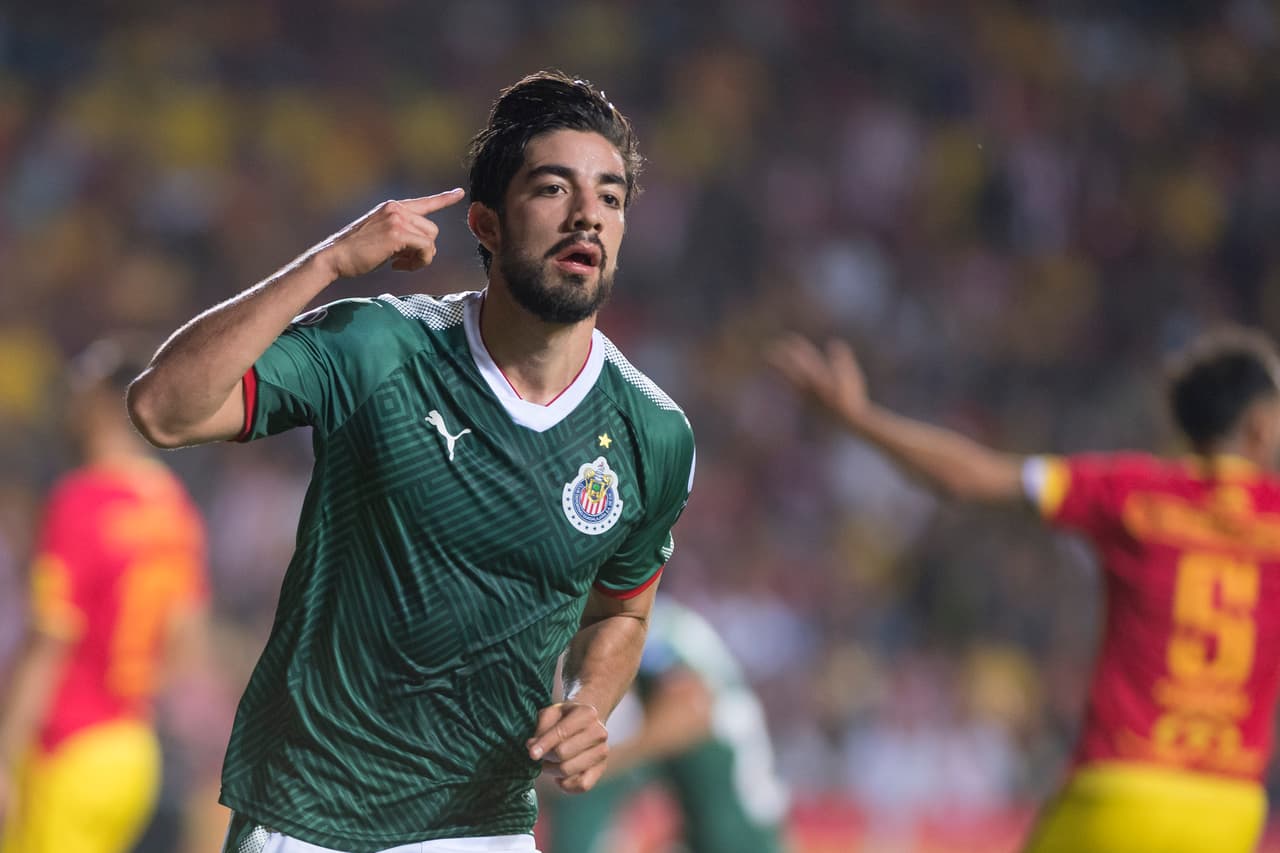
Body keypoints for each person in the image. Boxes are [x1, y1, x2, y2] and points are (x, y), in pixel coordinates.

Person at [126, 70, 696, 853]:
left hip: (481, 827)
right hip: (311, 816)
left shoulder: (654, 434)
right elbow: (164, 407)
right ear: (487, 225)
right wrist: (327, 262)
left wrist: (589, 703)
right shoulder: (381, 348)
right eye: (554, 189)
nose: (587, 215)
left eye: (609, 196)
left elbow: (623, 611)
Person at [770, 327, 1280, 853]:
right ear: (1260, 428)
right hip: (1232, 806)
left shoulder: (1133, 493)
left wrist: (860, 419)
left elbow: (968, 477)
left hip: (1121, 792)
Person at [0, 336, 211, 853]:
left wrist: (4, 751)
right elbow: (186, 644)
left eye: (82, 389)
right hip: (132, 752)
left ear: (101, 406)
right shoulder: (172, 507)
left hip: (67, 747)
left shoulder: (81, 500)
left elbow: (49, 638)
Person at [540, 595, 788, 853]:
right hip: (709, 820)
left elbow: (692, 709)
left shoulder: (655, 627)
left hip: (738, 831)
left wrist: (608, 761)